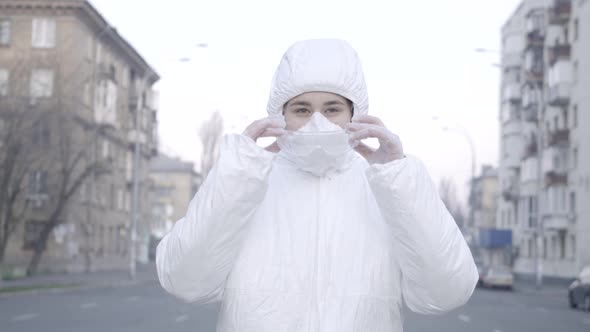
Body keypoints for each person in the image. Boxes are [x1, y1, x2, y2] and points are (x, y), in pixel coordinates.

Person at [156, 38, 478, 332]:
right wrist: (237, 175)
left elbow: (447, 292)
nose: (317, 121)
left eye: (332, 109)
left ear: (355, 114)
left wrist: (397, 176)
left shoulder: (387, 190)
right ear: (280, 116)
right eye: (302, 109)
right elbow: (185, 282)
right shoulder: (247, 185)